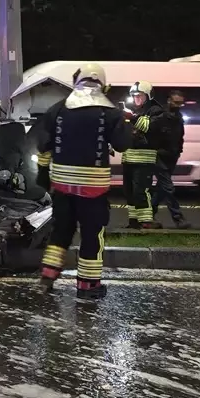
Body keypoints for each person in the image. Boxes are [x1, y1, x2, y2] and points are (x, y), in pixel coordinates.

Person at [34, 63, 132, 300]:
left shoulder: (58, 109)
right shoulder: (110, 112)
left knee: (60, 232)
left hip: (62, 186)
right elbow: (122, 144)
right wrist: (127, 123)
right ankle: (88, 286)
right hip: (93, 188)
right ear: (102, 84)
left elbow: (44, 145)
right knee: (92, 235)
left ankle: (47, 277)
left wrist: (43, 174)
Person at [122, 81, 164, 229]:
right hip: (128, 157)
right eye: (134, 96)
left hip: (144, 158)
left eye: (140, 96)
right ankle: (133, 221)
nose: (137, 99)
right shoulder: (131, 110)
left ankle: (146, 221)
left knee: (141, 191)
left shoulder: (156, 111)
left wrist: (131, 117)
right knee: (129, 191)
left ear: (148, 96)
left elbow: (149, 127)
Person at [151, 89, 190, 229]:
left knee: (162, 188)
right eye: (176, 102)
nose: (178, 105)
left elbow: (180, 137)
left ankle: (148, 215)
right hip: (158, 156)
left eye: (181, 103)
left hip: (171, 156)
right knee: (168, 187)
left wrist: (178, 151)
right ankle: (178, 218)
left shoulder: (178, 117)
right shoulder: (159, 116)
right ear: (169, 101)